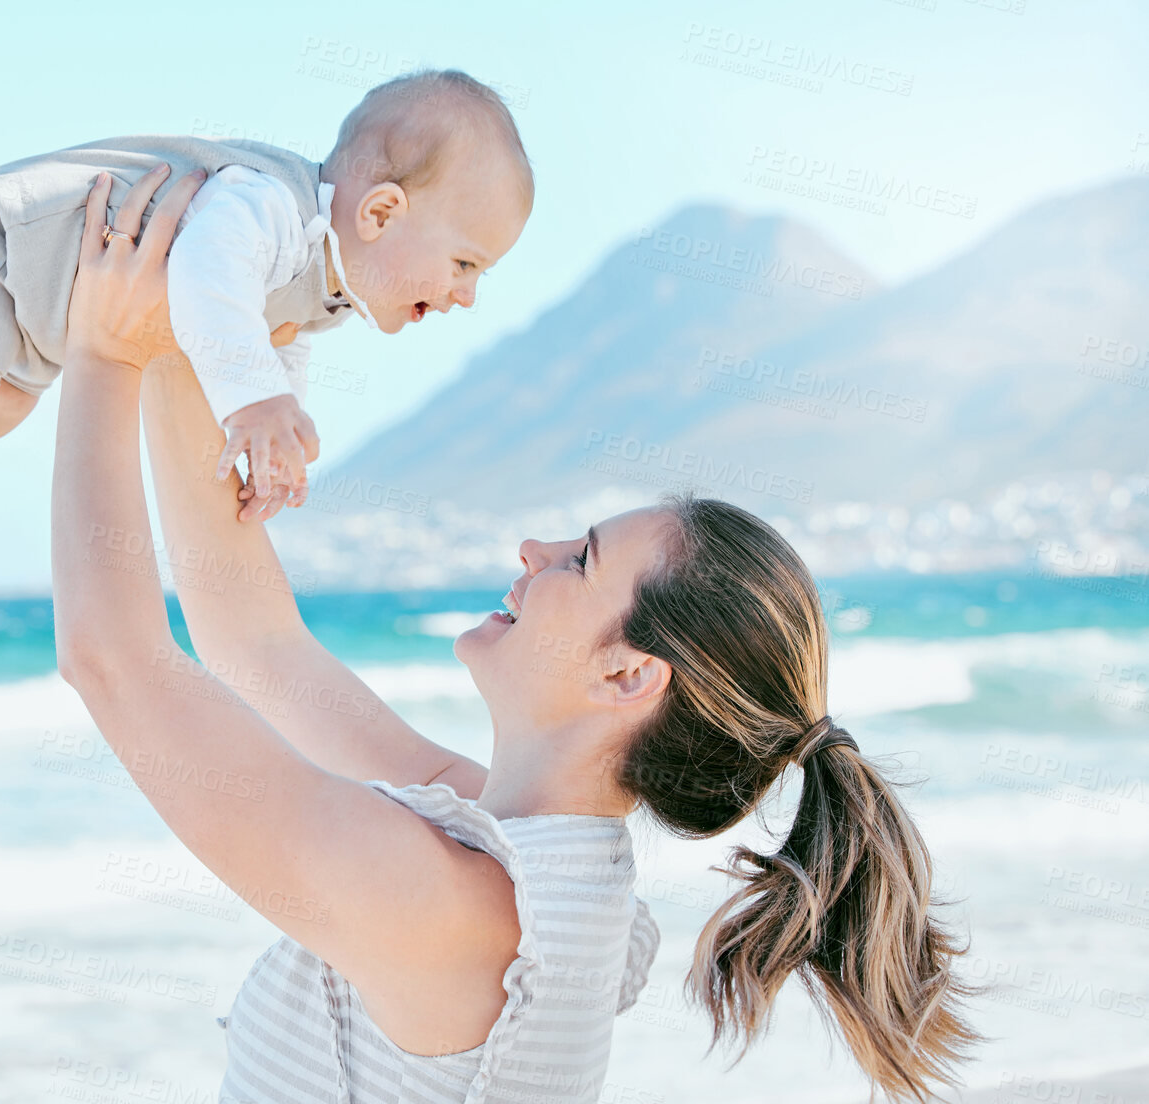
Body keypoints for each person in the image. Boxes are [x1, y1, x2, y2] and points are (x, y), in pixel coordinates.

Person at [49, 168, 982, 1102]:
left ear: (626, 676)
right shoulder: (533, 853)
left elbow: (112, 662)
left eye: (578, 562)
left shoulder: (459, 911)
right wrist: (191, 337)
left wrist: (102, 358)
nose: (533, 549)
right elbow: (253, 643)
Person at [0, 69, 532, 649]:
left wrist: (270, 441)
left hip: (56, 302)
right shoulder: (269, 205)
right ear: (378, 214)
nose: (466, 295)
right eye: (464, 263)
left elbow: (272, 333)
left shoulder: (330, 281)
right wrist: (252, 404)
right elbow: (209, 273)